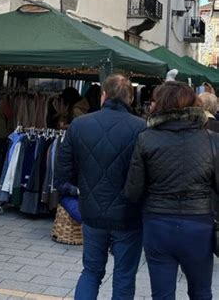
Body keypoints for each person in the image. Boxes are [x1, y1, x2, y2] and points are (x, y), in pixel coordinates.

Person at [124, 81, 217, 300]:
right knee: (201, 291)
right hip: (199, 225)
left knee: (162, 295)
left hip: (158, 224)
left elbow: (133, 190)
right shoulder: (212, 140)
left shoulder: (146, 139)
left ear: (161, 105)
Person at [57, 74, 146, 300]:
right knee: (124, 276)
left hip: (92, 211)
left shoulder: (79, 125)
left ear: (103, 95)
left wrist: (80, 190)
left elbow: (63, 172)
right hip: (129, 214)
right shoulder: (142, 128)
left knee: (91, 271)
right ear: (131, 99)